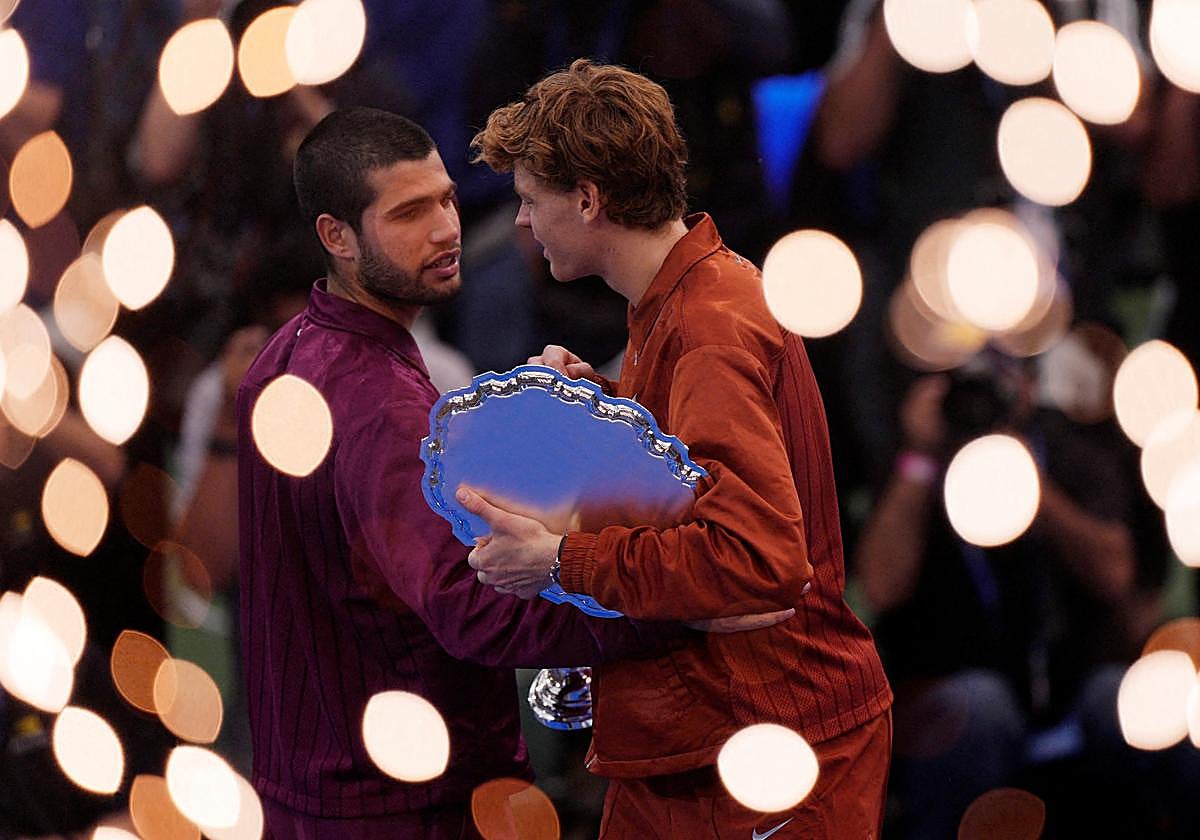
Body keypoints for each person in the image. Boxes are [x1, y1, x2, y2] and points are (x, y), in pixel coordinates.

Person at [236, 106, 787, 839]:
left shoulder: (286, 356)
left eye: (447, 201)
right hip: (411, 808)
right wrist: (674, 605)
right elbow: (473, 608)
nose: (446, 230)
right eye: (408, 213)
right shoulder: (379, 404)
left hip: (319, 793)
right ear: (336, 236)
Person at [467, 59, 892, 838]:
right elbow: (693, 478)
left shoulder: (708, 327)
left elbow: (757, 561)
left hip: (769, 751)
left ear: (587, 199)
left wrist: (559, 562)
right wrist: (603, 404)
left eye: (530, 200)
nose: (522, 223)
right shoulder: (683, 302)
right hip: (707, 738)